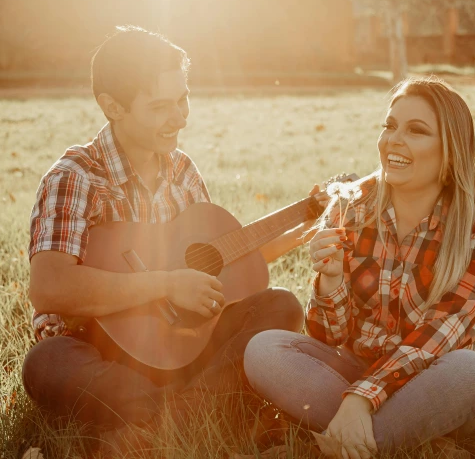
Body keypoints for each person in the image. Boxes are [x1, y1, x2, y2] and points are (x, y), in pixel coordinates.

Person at [21, 26, 325, 434]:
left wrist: (309, 220)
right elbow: (51, 288)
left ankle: (170, 412)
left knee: (281, 306)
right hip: (98, 348)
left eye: (183, 99)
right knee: (48, 362)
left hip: (183, 343)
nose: (179, 117)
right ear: (113, 106)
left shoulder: (182, 170)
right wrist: (165, 284)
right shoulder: (75, 177)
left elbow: (221, 261)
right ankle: (201, 403)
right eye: (161, 106)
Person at [244, 76, 475, 458]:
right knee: (263, 349)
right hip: (351, 369)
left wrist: (361, 400)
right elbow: (326, 337)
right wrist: (329, 283)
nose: (394, 139)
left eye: (417, 131)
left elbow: (441, 332)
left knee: (474, 375)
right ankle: (376, 441)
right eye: (390, 125)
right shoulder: (351, 205)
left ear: (450, 152)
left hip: (430, 380)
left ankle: (337, 442)